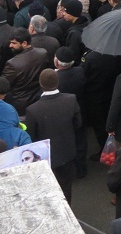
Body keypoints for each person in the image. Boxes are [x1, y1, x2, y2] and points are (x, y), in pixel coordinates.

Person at [25, 69, 82, 204]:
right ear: (58, 82)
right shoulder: (71, 99)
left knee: (48, 189)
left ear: (40, 84)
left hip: (45, 157)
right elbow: (78, 124)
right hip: (67, 152)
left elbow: (31, 137)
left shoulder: (32, 110)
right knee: (66, 188)